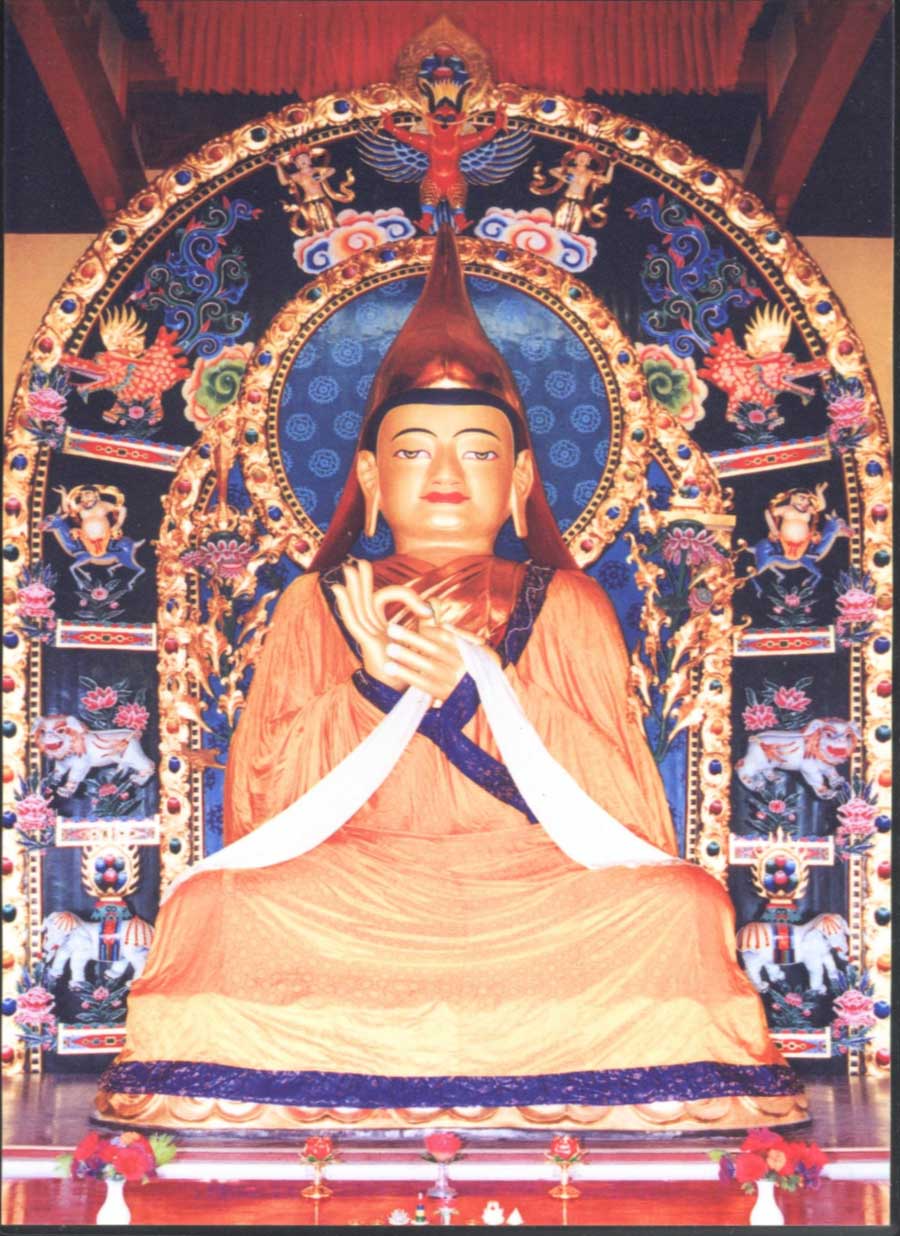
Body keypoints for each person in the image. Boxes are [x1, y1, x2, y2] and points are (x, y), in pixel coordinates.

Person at [97, 228, 806, 1133]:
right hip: (356, 882)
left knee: (682, 906)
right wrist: (368, 690)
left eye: (475, 451)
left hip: (538, 883)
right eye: (412, 451)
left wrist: (480, 690)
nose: (442, 473)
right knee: (215, 906)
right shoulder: (319, 601)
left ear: (519, 480)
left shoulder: (566, 600)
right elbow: (261, 803)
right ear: (368, 475)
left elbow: (626, 809)